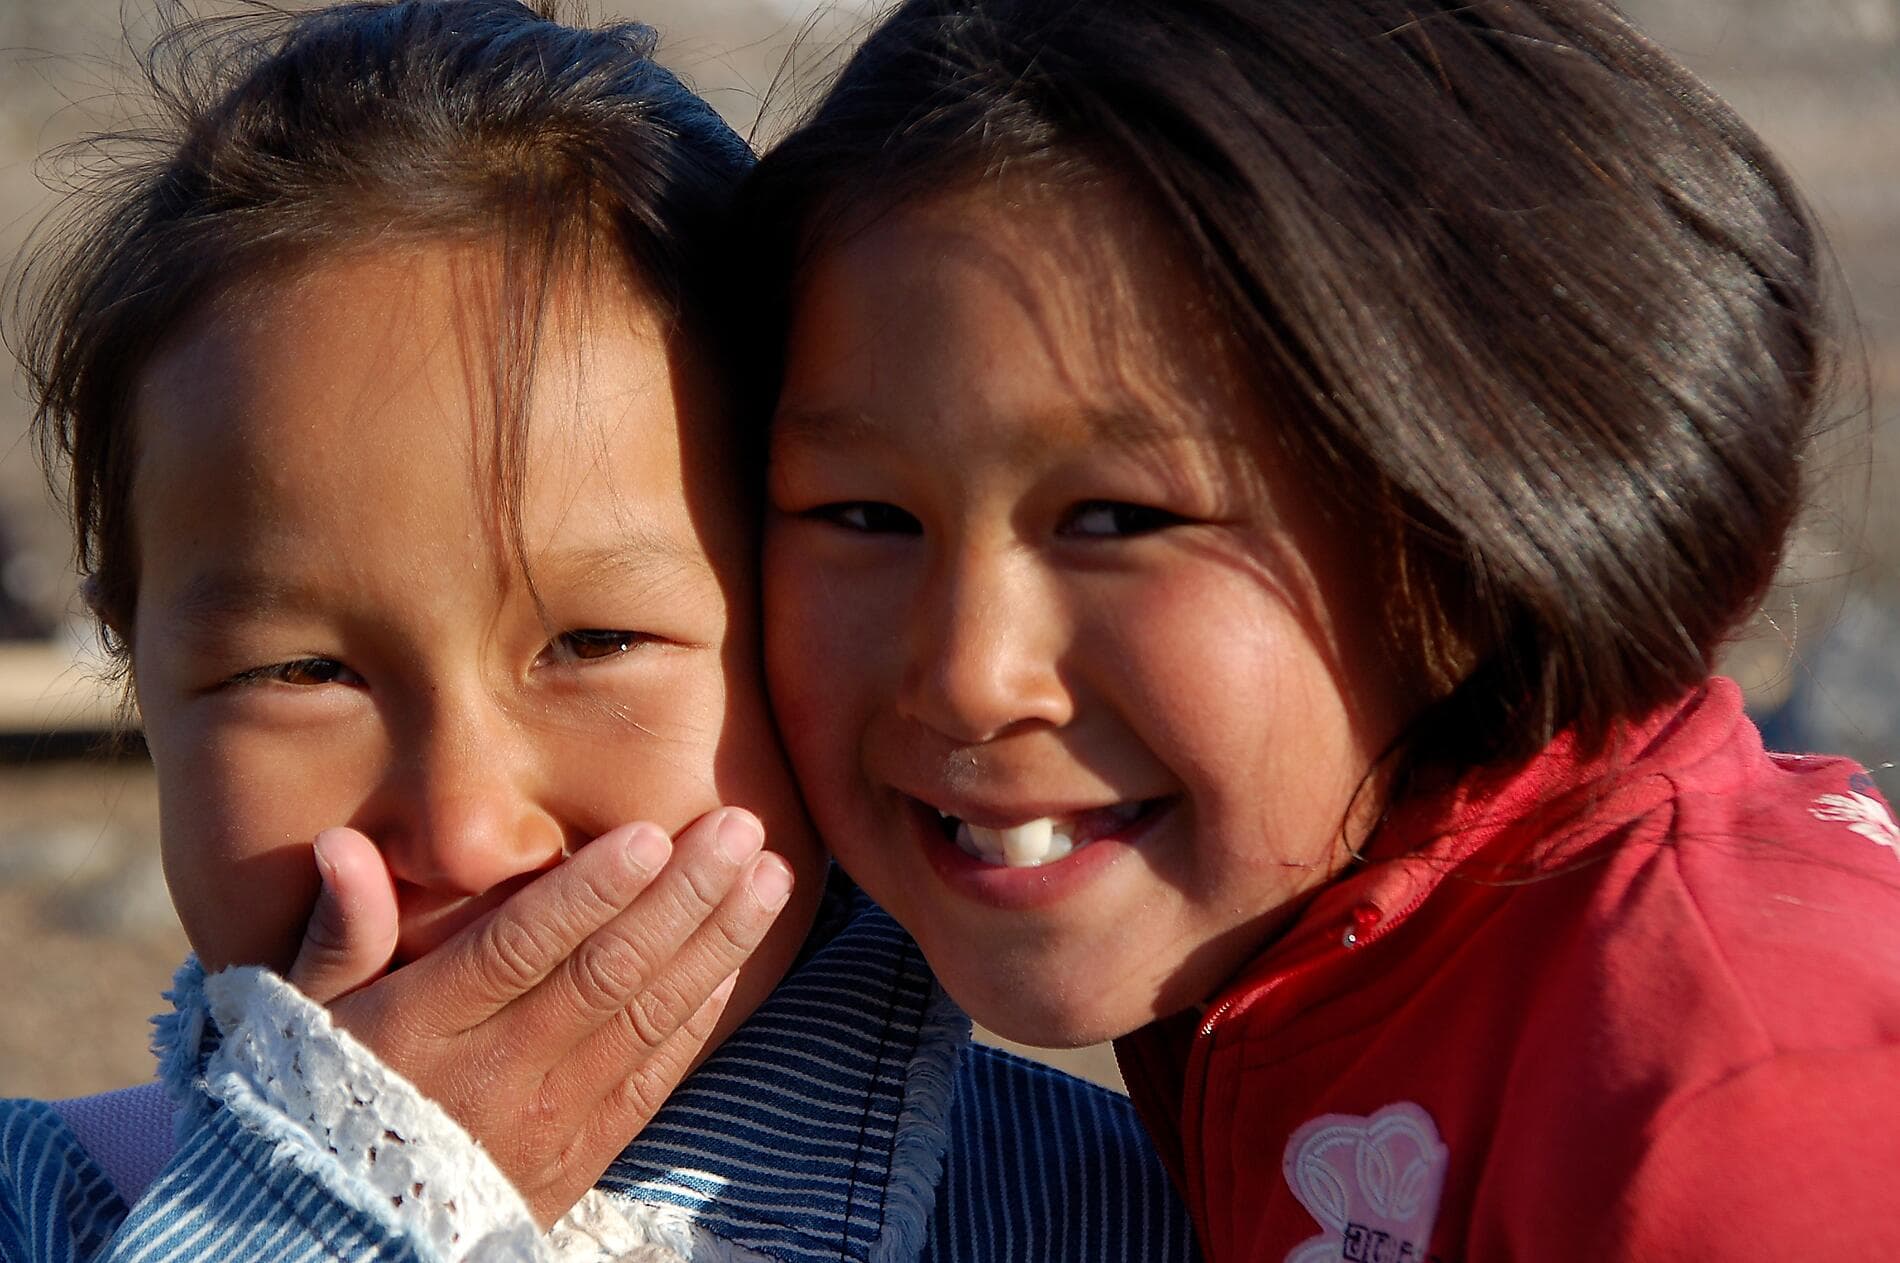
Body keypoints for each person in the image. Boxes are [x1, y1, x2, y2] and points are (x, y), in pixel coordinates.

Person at [0, 3, 1198, 1260]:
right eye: (300, 671)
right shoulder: (54, 1206)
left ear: (812, 619)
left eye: (593, 645)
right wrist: (321, 1208)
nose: (466, 836)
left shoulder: (1148, 1214)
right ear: (135, 665)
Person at [741, 0, 1900, 1257]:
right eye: (862, 513)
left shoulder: (1731, 1097)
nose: (971, 677)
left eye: (1119, 518)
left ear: (1478, 501)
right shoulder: (1298, 971)